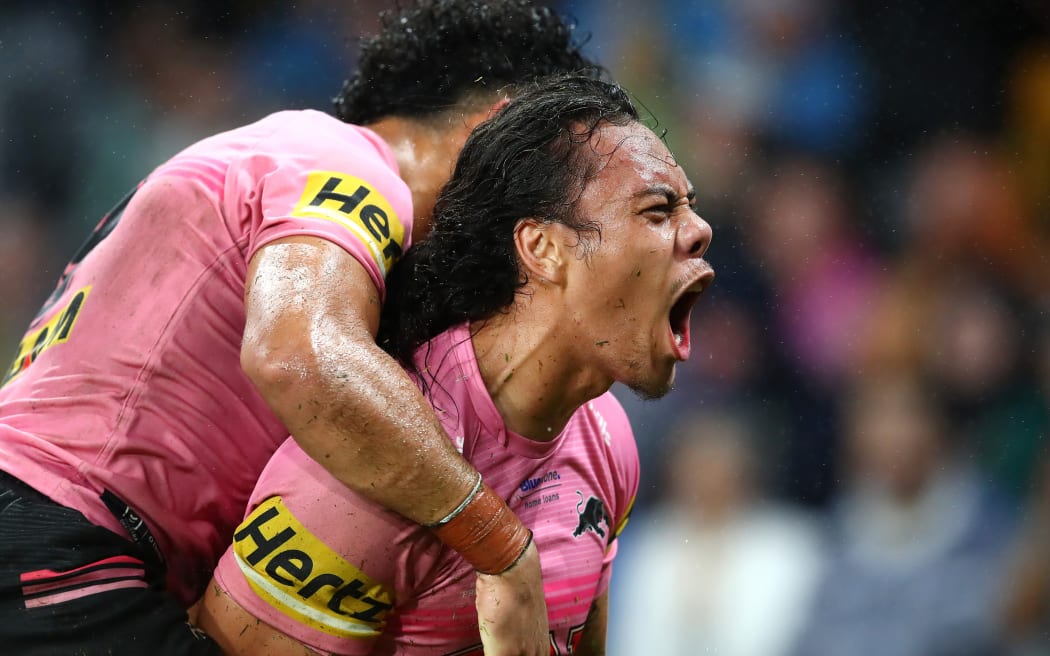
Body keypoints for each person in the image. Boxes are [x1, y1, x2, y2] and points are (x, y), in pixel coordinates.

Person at [0, 2, 600, 654]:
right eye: (556, 178)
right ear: (498, 126)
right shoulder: (346, 162)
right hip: (58, 547)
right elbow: (303, 356)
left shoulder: (286, 165)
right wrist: (503, 549)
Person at [191, 74, 715, 655]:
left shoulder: (608, 439)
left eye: (688, 208)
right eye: (657, 210)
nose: (700, 230)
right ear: (541, 248)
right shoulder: (361, 479)